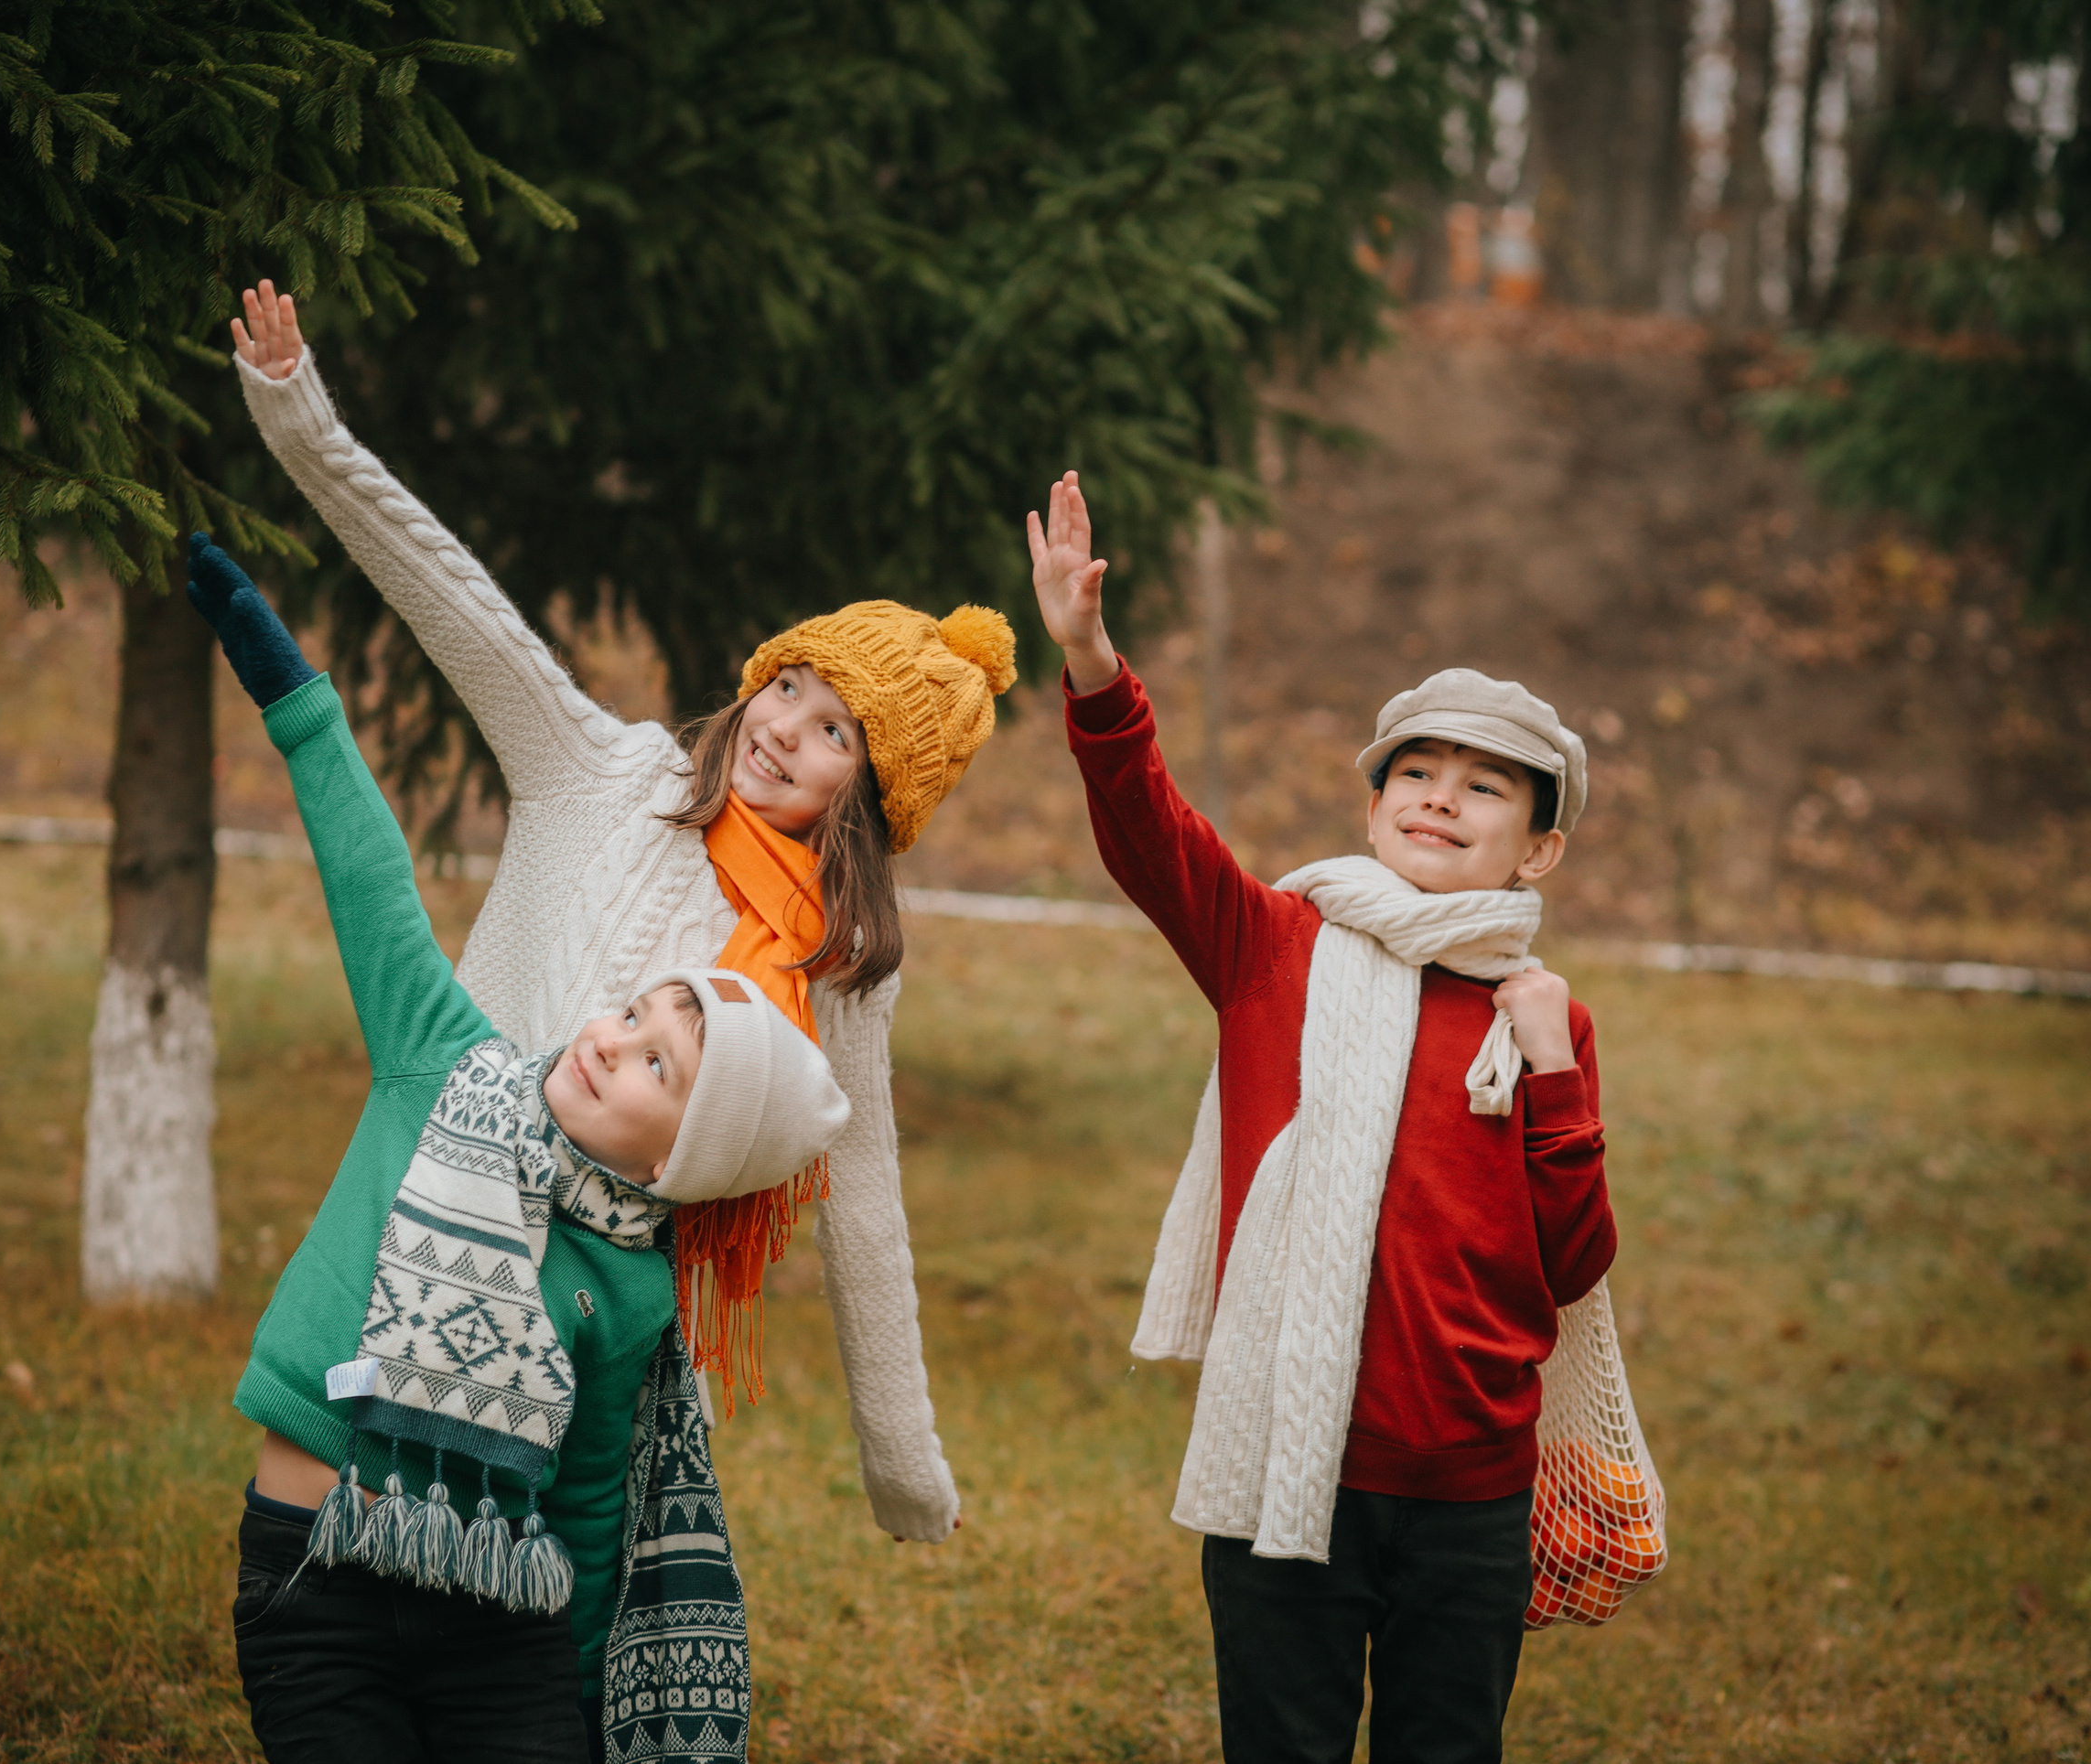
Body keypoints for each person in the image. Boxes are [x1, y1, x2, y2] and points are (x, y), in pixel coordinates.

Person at [223, 282, 998, 1555]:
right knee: (333, 1533)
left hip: (605, 1310)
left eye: (832, 733)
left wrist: (902, 1458)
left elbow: (860, 1192)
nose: (782, 733)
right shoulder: (605, 772)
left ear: (877, 789)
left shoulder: (838, 965)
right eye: (785, 689)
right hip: (432, 1209)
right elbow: (455, 605)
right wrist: (300, 416)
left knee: (540, 1604)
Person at [186, 534, 847, 1764]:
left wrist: (588, 1698)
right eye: (636, 1012)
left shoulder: (636, 1285)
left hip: (506, 1622)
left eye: (661, 1066)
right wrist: (295, 696)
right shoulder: (450, 1064)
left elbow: (594, 1505)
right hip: (316, 1573)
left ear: (681, 1161)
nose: (615, 1041)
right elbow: (371, 879)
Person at [1029, 474, 1618, 1763]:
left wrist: (1557, 1084)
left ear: (1538, 851)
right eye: (1417, 770)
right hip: (1285, 1465)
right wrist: (1089, 662)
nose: (1439, 798)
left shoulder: (1539, 1017)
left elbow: (1570, 1265)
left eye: (1484, 788)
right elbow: (1149, 834)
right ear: (1373, 800)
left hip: (1470, 1491)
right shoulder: (1274, 949)